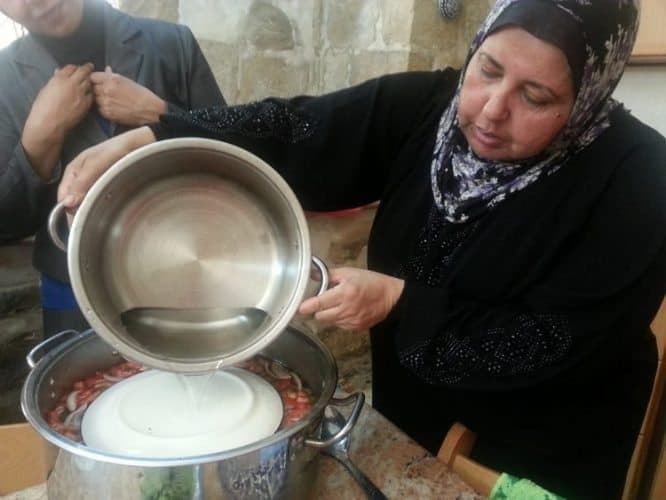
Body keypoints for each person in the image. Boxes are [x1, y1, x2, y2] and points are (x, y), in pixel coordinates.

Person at [58, 0, 666, 498]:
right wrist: (156, 135)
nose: (489, 110)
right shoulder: (429, 107)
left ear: (588, 95)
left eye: (536, 98)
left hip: (544, 455)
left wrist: (403, 301)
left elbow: (559, 341)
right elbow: (295, 129)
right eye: (486, 68)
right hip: (411, 419)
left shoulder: (641, 182)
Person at [0, 0, 225, 337]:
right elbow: (7, 223)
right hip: (71, 288)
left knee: (189, 383)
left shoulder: (172, 43)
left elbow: (234, 157)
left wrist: (161, 115)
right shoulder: (4, 80)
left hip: (182, 271)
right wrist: (38, 142)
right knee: (81, 387)